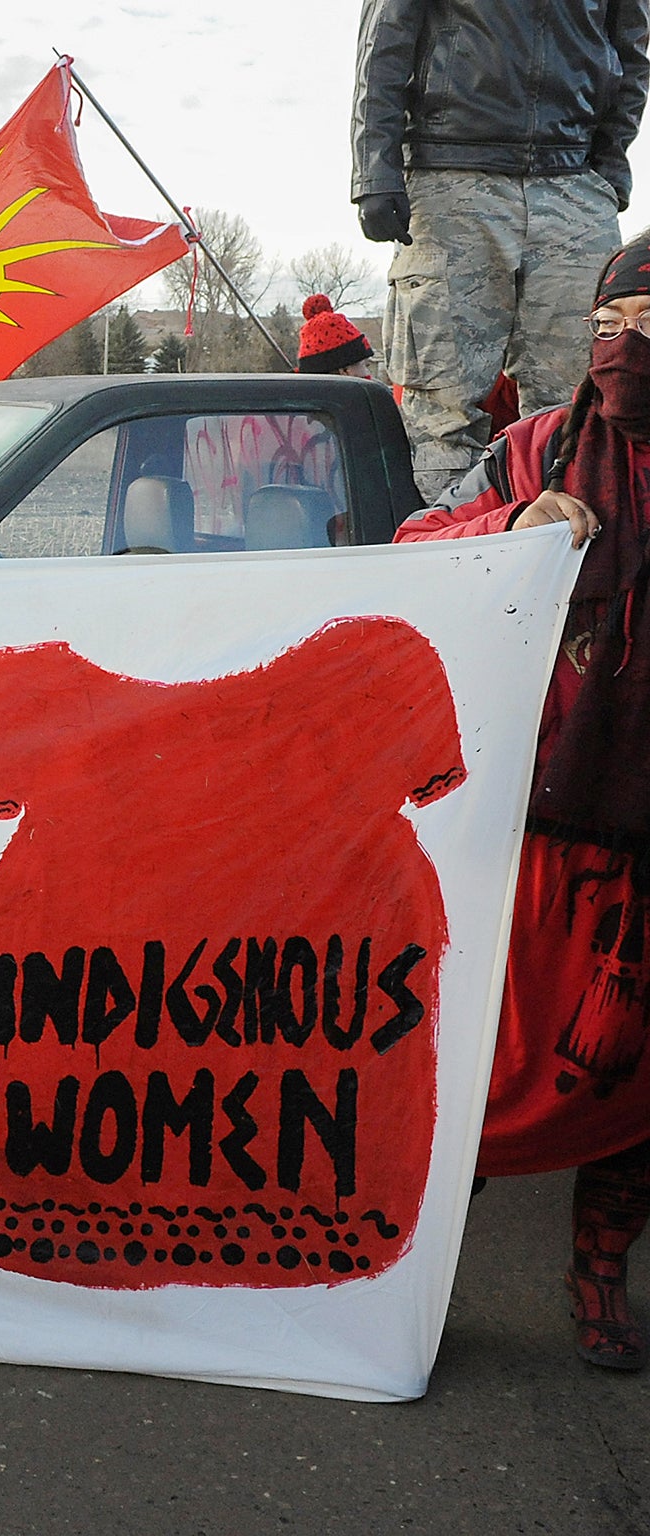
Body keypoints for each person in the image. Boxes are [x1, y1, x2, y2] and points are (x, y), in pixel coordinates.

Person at [395, 233, 650, 1372]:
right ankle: (412, 1280)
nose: (624, 350)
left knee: (636, 1081)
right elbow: (405, 549)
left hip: (642, 845)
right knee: (482, 1074)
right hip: (528, 828)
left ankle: (597, 1273)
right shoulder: (535, 446)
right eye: (611, 326)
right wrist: (507, 528)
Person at [352, 0, 649, 498]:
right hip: (450, 173)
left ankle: (573, 553)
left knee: (583, 397)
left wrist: (607, 166)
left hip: (573, 180)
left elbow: (632, 53)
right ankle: (446, 546)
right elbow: (384, 44)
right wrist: (374, 170)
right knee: (442, 401)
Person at [294, 294, 375, 377]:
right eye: (365, 366)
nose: (368, 373)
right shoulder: (364, 389)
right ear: (345, 371)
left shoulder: (295, 389)